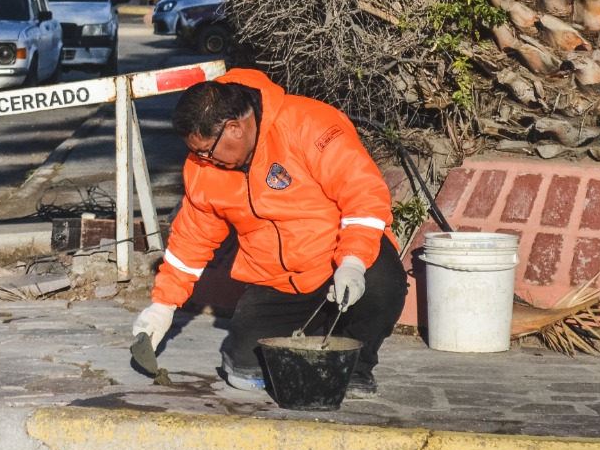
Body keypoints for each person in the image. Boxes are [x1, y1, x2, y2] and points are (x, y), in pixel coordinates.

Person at [132, 68, 405, 397]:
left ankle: (357, 365)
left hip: (337, 262)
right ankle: (318, 331)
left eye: (206, 151)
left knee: (382, 283)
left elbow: (363, 194)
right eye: (196, 152)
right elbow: (191, 241)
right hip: (277, 282)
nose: (202, 159)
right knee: (245, 372)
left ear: (234, 128)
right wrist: (162, 306)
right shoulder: (203, 168)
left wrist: (353, 262)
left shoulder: (309, 123)